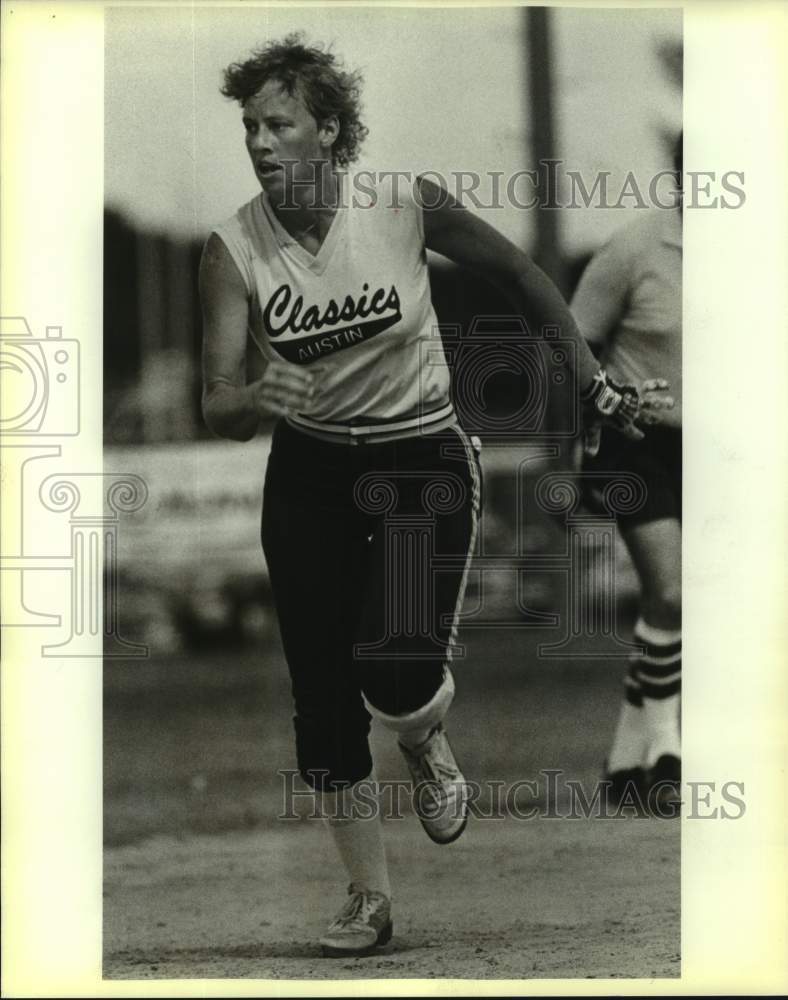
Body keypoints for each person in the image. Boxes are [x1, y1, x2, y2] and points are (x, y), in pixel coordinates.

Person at [200, 34, 672, 957]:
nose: (259, 139)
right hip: (309, 473)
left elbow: (525, 274)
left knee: (397, 669)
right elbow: (217, 399)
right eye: (250, 124)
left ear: (329, 130)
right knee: (323, 697)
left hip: (418, 460)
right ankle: (366, 896)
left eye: (279, 122)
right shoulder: (233, 248)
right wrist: (251, 398)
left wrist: (589, 382)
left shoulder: (404, 205)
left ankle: (422, 735)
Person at [571, 134, 683, 813]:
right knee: (670, 592)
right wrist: (593, 414)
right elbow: (573, 340)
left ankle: (621, 765)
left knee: (669, 608)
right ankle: (669, 752)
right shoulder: (633, 249)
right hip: (633, 441)